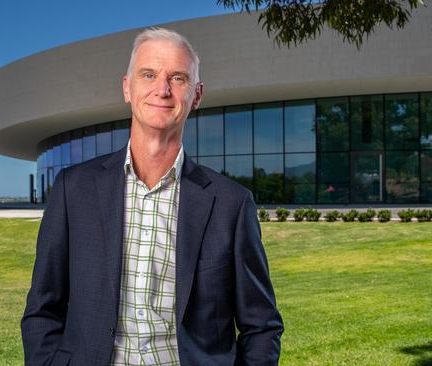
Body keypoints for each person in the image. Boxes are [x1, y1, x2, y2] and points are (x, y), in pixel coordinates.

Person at [21, 27, 283, 366]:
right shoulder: (74, 189)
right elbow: (43, 309)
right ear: (127, 88)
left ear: (197, 95)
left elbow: (261, 326)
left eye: (178, 78)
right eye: (149, 75)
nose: (162, 90)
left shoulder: (231, 205)